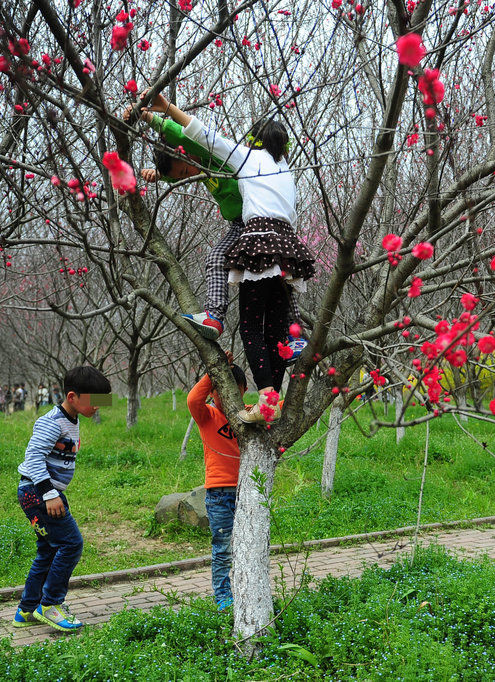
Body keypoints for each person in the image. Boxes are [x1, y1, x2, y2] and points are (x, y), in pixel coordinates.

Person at [128, 93, 308, 363]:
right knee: (219, 259)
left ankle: (296, 337)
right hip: (243, 226)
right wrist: (160, 175)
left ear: (184, 152)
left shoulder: (224, 157)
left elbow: (191, 133)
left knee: (283, 280)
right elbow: (179, 161)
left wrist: (152, 117)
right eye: (178, 177)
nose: (185, 176)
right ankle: (215, 316)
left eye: (181, 171)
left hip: (260, 224)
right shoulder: (201, 166)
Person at [12, 366, 111, 632]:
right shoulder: (52, 421)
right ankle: (50, 604)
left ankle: (27, 609)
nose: (98, 407)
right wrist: (49, 493)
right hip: (38, 492)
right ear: (72, 396)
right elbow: (32, 458)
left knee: (48, 550)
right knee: (71, 544)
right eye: (94, 401)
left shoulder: (72, 420)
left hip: (44, 492)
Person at [187, 353, 248, 610]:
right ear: (213, 393)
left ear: (244, 391)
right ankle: (223, 597)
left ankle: (246, 588)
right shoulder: (208, 416)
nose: (228, 398)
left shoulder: (247, 416)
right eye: (221, 392)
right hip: (219, 494)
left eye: (237, 392)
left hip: (246, 490)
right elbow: (192, 399)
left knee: (247, 545)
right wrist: (212, 371)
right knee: (222, 549)